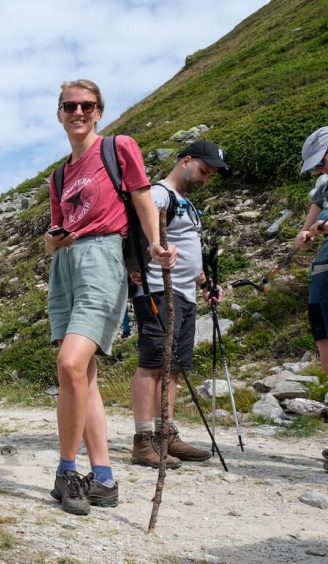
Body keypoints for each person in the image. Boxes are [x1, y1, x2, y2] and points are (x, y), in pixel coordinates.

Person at [44, 79, 176, 516]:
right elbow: (54, 233)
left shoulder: (119, 147)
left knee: (69, 362)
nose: (78, 112)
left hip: (103, 259)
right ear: (59, 113)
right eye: (69, 106)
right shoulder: (59, 175)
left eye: (86, 105)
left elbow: (142, 198)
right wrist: (53, 239)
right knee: (85, 376)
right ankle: (104, 479)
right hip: (65, 266)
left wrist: (156, 244)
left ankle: (66, 472)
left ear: (98, 111)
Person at [129, 141, 228, 468]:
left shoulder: (186, 204)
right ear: (185, 161)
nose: (205, 179)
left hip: (183, 294)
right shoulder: (160, 194)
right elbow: (136, 214)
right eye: (203, 171)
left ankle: (165, 434)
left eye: (210, 175)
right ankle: (144, 442)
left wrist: (205, 283)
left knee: (172, 367)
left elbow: (186, 249)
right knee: (153, 364)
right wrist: (141, 262)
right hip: (158, 290)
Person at [294, 126, 328, 472]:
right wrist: (307, 233)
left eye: (321, 162)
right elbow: (303, 236)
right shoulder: (323, 187)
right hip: (321, 274)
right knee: (324, 346)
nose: (319, 169)